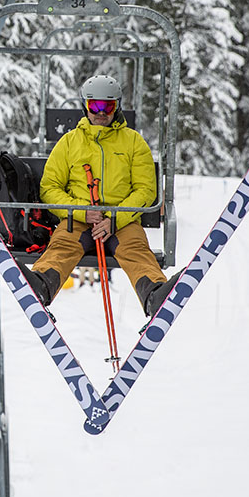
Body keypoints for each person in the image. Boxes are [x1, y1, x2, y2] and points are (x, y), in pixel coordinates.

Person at [18, 75, 178, 317]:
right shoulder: (70, 142)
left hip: (122, 220)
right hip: (79, 219)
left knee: (135, 249)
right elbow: (50, 187)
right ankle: (40, 285)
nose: (101, 112)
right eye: (95, 106)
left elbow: (145, 190)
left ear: (117, 107)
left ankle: (154, 294)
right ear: (85, 106)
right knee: (63, 244)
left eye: (108, 106)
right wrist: (82, 211)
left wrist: (114, 219)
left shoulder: (134, 143)